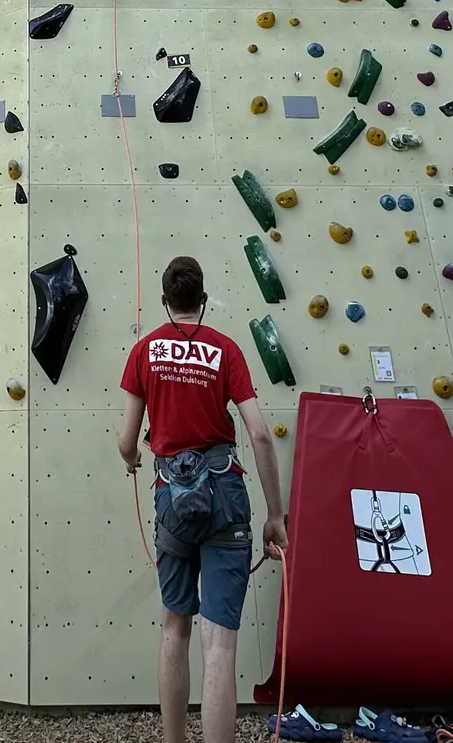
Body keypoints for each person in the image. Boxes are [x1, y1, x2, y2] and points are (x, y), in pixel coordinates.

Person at [118, 256, 287, 743]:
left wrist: (132, 459)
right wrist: (275, 515)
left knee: (175, 628)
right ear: (204, 300)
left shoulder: (144, 351)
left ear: (165, 301)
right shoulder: (226, 349)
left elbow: (127, 439)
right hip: (225, 496)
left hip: (172, 495)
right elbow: (259, 434)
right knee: (220, 644)